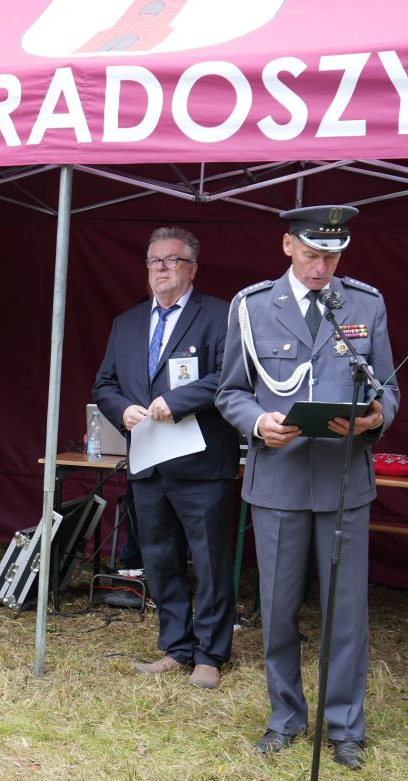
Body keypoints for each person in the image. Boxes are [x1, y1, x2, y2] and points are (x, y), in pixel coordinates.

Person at [216, 205, 400, 770]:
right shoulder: (252, 307)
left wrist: (375, 418)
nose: (322, 267)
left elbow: (388, 389)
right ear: (287, 245)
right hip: (280, 478)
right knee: (278, 609)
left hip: (344, 479)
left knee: (346, 611)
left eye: (332, 257)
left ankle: (344, 726)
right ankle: (285, 717)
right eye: (313, 254)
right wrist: (257, 423)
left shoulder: (364, 304)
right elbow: (230, 391)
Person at [92, 226, 241, 689]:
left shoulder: (220, 315)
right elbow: (104, 384)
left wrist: (178, 400)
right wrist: (123, 410)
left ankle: (210, 655)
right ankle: (177, 647)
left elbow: (231, 376)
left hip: (202, 465)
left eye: (171, 260)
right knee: (160, 559)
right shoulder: (127, 322)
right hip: (149, 463)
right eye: (154, 260)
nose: (160, 268)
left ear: (192, 268)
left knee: (210, 562)